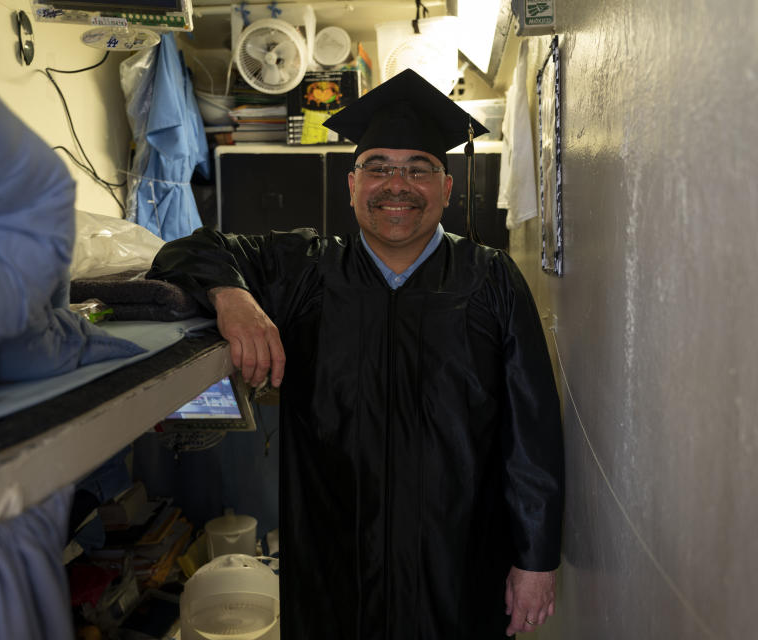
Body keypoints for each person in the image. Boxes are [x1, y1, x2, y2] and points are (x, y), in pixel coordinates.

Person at [148, 69, 564, 639]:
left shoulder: (490, 279)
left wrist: (535, 559)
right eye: (379, 168)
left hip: (459, 563)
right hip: (333, 565)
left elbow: (532, 429)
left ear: (447, 187)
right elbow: (185, 251)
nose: (398, 184)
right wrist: (233, 297)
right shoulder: (305, 270)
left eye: (418, 169)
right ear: (352, 185)